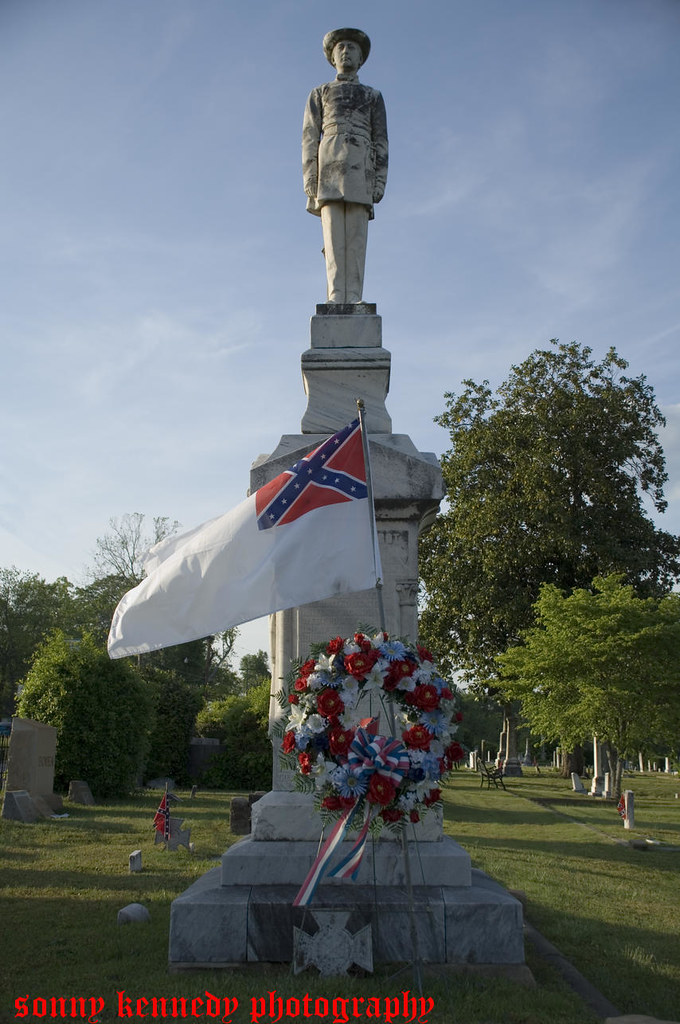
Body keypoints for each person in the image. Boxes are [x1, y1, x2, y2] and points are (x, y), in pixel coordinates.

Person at [302, 28, 388, 304]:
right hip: (329, 168)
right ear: (332, 56)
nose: (346, 51)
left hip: (361, 167)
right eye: (341, 47)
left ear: (361, 57)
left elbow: (381, 140)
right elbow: (309, 138)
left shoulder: (372, 96)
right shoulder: (321, 93)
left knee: (356, 239)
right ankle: (336, 294)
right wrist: (310, 179)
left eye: (352, 47)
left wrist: (379, 181)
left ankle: (354, 295)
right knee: (333, 239)